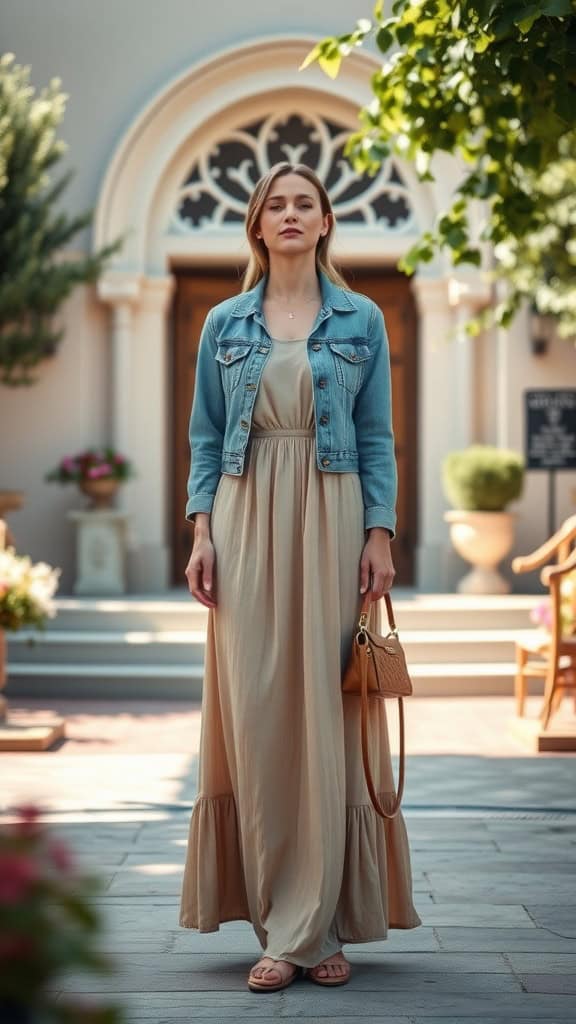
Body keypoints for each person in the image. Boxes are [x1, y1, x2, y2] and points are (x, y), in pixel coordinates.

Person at [179, 161, 421, 993]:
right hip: (245, 520)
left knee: (326, 713)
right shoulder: (222, 323)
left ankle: (314, 929)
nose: (289, 214)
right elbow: (207, 439)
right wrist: (203, 530)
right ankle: (273, 917)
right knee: (257, 714)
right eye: (274, 204)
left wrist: (380, 535)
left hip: (333, 516)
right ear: (257, 224)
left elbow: (379, 437)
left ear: (324, 224)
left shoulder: (362, 318)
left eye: (304, 204)